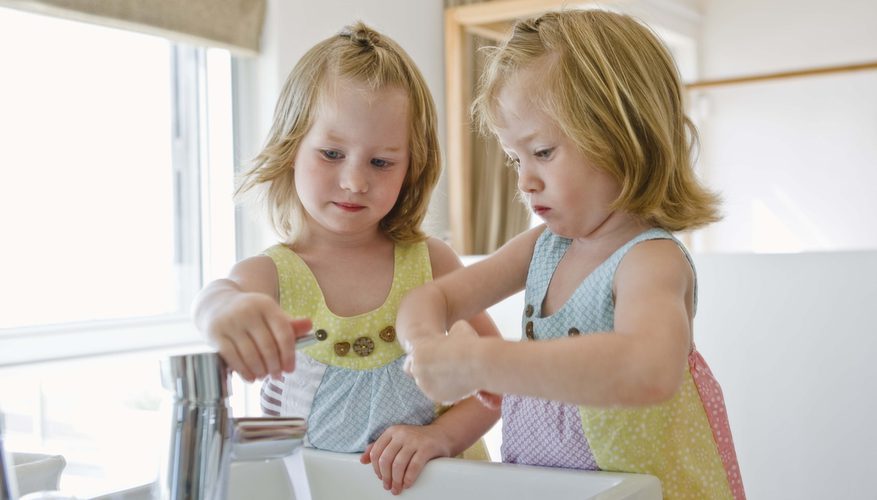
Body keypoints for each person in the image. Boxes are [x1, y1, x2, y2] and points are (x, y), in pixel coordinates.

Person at [396, 9, 745, 500]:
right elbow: (429, 299)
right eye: (515, 159)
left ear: (622, 136)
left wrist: (483, 361)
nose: (524, 181)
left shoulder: (649, 261)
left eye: (542, 152)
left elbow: (646, 370)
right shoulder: (544, 248)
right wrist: (425, 347)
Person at [192, 22, 500, 496]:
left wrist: (439, 436)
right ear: (290, 148)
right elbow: (216, 299)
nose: (355, 181)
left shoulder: (431, 263)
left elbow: (498, 379)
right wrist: (224, 313)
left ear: (412, 167)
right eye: (332, 153)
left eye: (381, 162)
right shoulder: (270, 276)